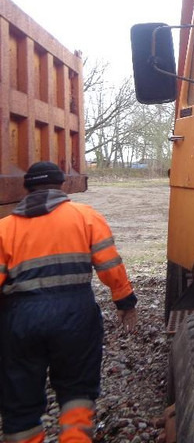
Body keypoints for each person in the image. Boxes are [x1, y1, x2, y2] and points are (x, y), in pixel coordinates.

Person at [0, 161, 138, 443]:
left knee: (20, 398)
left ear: (27, 188)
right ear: (62, 184)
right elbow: (110, 265)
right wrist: (125, 302)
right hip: (75, 315)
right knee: (76, 391)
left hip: (22, 318)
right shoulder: (85, 216)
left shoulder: (5, 228)